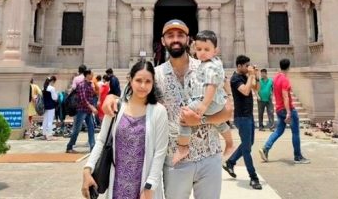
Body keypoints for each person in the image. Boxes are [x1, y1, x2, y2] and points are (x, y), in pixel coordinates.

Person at [103, 19, 234, 199]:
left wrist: (201, 120)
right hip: (174, 162)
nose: (175, 39)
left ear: (189, 40)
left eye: (180, 35)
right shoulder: (155, 75)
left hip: (209, 156)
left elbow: (227, 111)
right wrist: (111, 97)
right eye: (170, 36)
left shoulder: (208, 67)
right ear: (163, 41)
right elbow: (130, 99)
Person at [82, 60, 169, 199]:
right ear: (130, 80)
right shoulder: (116, 107)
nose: (142, 86)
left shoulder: (159, 111)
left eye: (148, 81)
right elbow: (101, 140)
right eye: (138, 80)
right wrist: (88, 168)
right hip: (117, 186)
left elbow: (160, 151)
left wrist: (150, 187)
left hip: (144, 190)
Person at [172, 30, 234, 166]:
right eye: (199, 49)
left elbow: (211, 85)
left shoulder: (209, 66)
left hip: (207, 101)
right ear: (194, 48)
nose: (202, 52)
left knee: (184, 116)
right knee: (220, 123)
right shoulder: (215, 62)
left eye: (207, 49)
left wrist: (204, 105)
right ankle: (229, 144)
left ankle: (183, 147)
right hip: (217, 102)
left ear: (215, 50)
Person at [258, 58, 310, 164]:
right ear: (289, 67)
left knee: (279, 131)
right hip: (287, 109)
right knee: (295, 132)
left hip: (279, 109)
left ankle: (265, 148)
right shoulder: (285, 80)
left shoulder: (276, 78)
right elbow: (285, 97)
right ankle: (298, 156)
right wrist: (289, 112)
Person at [222, 55, 262, 190]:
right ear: (239, 66)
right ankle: (253, 177)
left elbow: (257, 89)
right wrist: (250, 76)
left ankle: (230, 162)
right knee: (247, 149)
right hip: (241, 117)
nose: (247, 67)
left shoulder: (246, 76)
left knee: (249, 144)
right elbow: (245, 91)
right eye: (246, 66)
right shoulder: (235, 79)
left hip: (249, 115)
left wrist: (256, 75)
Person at [66, 69, 98, 153]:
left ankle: (92, 146)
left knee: (91, 128)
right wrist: (92, 107)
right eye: (91, 74)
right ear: (87, 75)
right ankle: (69, 146)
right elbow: (83, 99)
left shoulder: (90, 84)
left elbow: (91, 96)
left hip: (88, 111)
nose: (92, 76)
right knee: (77, 129)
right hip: (82, 110)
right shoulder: (82, 85)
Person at [41, 76, 58, 140]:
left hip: (45, 106)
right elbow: (55, 98)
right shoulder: (52, 88)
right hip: (51, 106)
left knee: (45, 120)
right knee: (50, 120)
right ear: (52, 81)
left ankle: (44, 134)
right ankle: (49, 136)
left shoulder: (43, 88)